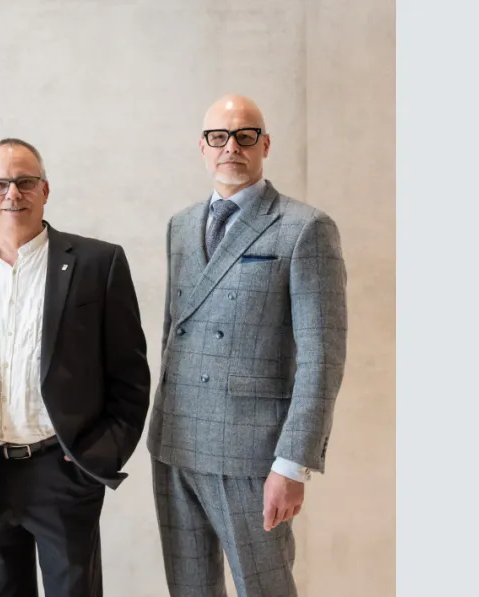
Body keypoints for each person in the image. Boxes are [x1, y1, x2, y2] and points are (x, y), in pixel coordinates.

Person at [0, 138, 151, 596]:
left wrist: (98, 456)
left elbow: (130, 376)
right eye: (0, 184)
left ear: (45, 190)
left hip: (62, 471)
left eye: (25, 182)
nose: (13, 193)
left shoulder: (98, 264)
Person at [147, 95, 348, 597]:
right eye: (219, 136)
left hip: (253, 452)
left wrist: (292, 462)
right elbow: (173, 333)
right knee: (188, 588)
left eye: (245, 136)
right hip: (174, 439)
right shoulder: (181, 225)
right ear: (202, 146)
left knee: (265, 589)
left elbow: (322, 357)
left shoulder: (305, 227)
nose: (231, 147)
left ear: (265, 145)